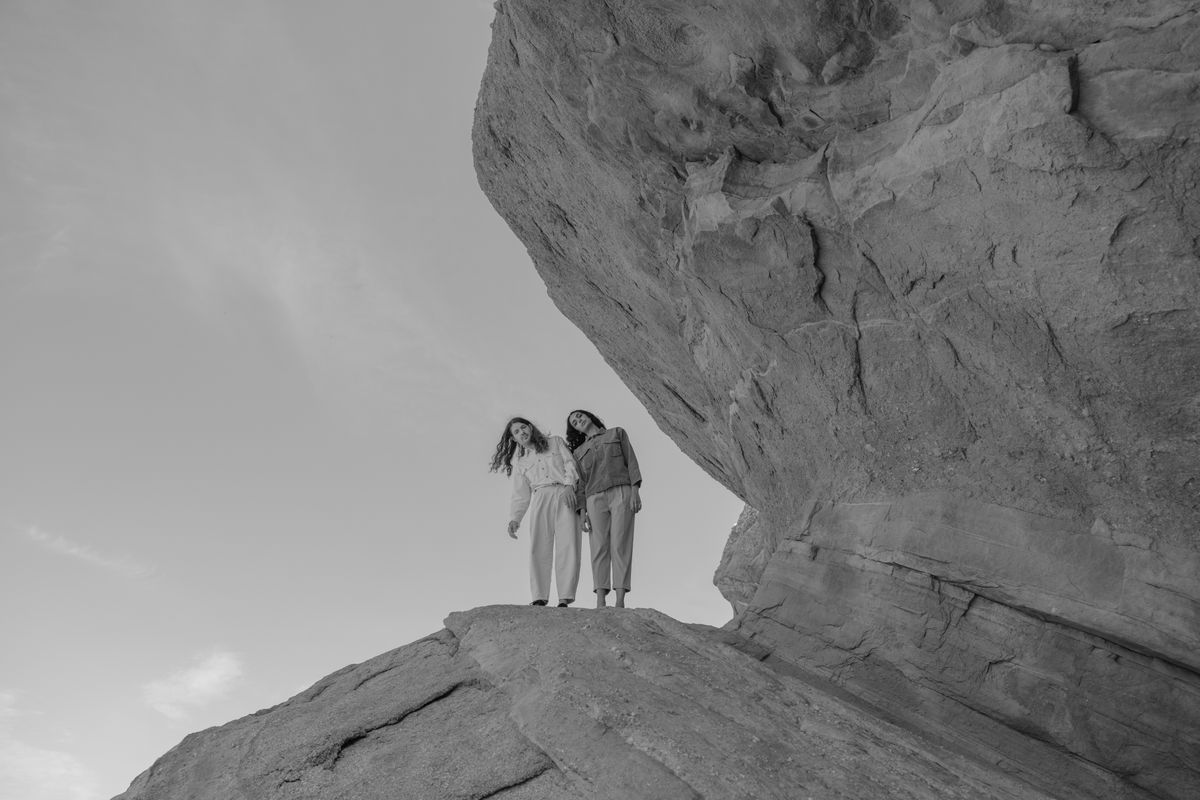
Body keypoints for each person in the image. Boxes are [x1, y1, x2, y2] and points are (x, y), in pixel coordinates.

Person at [489, 417, 581, 607]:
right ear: (514, 439)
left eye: (523, 427)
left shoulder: (555, 442)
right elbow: (520, 493)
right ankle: (540, 597)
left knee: (568, 544)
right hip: (540, 497)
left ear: (530, 428)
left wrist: (570, 486)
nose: (521, 432)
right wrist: (515, 518)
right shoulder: (522, 462)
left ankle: (565, 597)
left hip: (564, 491)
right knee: (539, 547)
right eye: (516, 432)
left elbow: (570, 464)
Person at [565, 409, 642, 608]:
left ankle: (620, 600)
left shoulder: (616, 433)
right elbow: (581, 484)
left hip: (621, 491)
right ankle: (600, 600)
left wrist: (635, 490)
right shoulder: (578, 452)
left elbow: (631, 461)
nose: (578, 420)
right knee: (598, 547)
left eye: (579, 416)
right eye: (574, 422)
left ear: (589, 416)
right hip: (594, 499)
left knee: (620, 544)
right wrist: (582, 513)